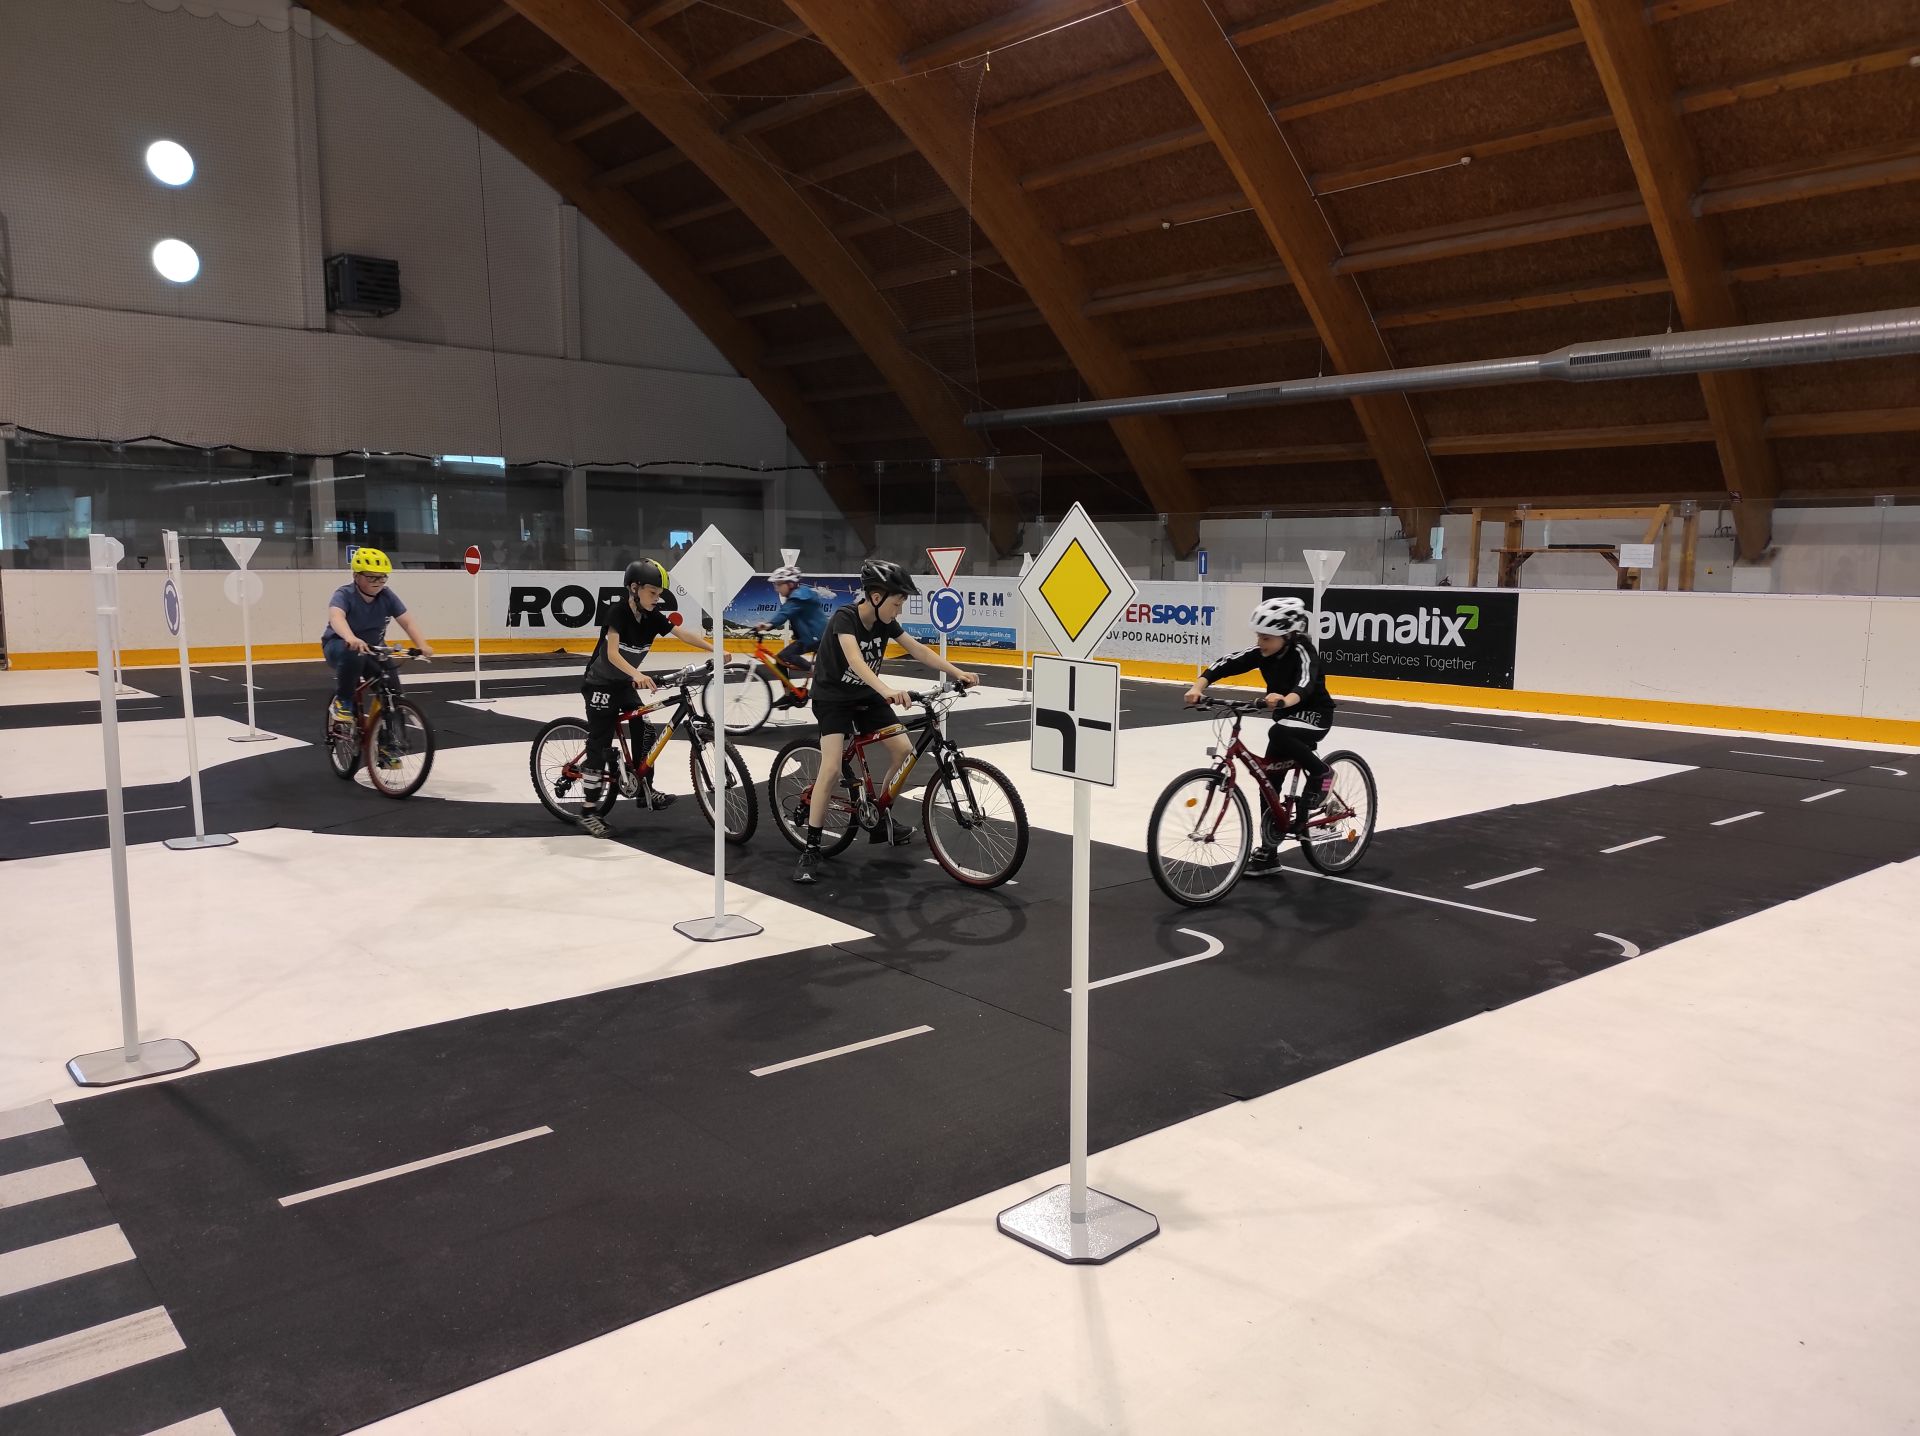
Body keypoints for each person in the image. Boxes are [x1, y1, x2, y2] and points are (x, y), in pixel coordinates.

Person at [791, 559, 977, 884]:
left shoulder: (886, 623)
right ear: (876, 597)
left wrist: (956, 671)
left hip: (866, 695)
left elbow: (918, 650)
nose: (898, 610)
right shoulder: (845, 618)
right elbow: (854, 659)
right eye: (896, 603)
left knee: (904, 751)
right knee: (831, 768)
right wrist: (886, 689)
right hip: (833, 698)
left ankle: (879, 815)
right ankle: (812, 848)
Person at [1185, 596, 1337, 879]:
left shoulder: (1304, 651)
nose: (1260, 642)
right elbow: (1227, 663)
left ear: (1287, 635)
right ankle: (1269, 854)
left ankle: (1322, 772)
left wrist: (1284, 700)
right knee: (1268, 780)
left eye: (1266, 638)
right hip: (1286, 718)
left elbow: (1305, 684)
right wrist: (1198, 686)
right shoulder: (1262, 652)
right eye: (1259, 636)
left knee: (1277, 731)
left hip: (1315, 715)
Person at [577, 557, 713, 838]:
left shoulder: (651, 617)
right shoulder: (617, 613)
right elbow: (612, 654)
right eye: (652, 592)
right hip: (600, 684)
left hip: (623, 684)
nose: (656, 598)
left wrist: (715, 648)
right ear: (634, 588)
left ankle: (644, 789)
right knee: (600, 743)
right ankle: (589, 811)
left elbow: (682, 634)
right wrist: (636, 674)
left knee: (645, 727)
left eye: (659, 594)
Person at [322, 547, 432, 724]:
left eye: (382, 577)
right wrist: (350, 637)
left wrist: (422, 645)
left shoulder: (387, 596)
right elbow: (336, 617)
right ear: (356, 576)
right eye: (371, 577)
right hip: (340, 645)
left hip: (373, 648)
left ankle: (390, 736)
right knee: (354, 654)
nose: (378, 582)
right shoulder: (345, 594)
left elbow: (407, 622)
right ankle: (342, 701)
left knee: (393, 693)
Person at [754, 565, 831, 703]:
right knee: (780, 661)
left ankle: (817, 671)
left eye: (779, 584)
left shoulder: (799, 597)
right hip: (809, 637)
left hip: (817, 638)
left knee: (785, 656)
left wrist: (768, 625)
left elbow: (784, 613)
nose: (776, 588)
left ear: (790, 584)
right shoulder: (797, 596)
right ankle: (788, 695)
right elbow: (787, 612)